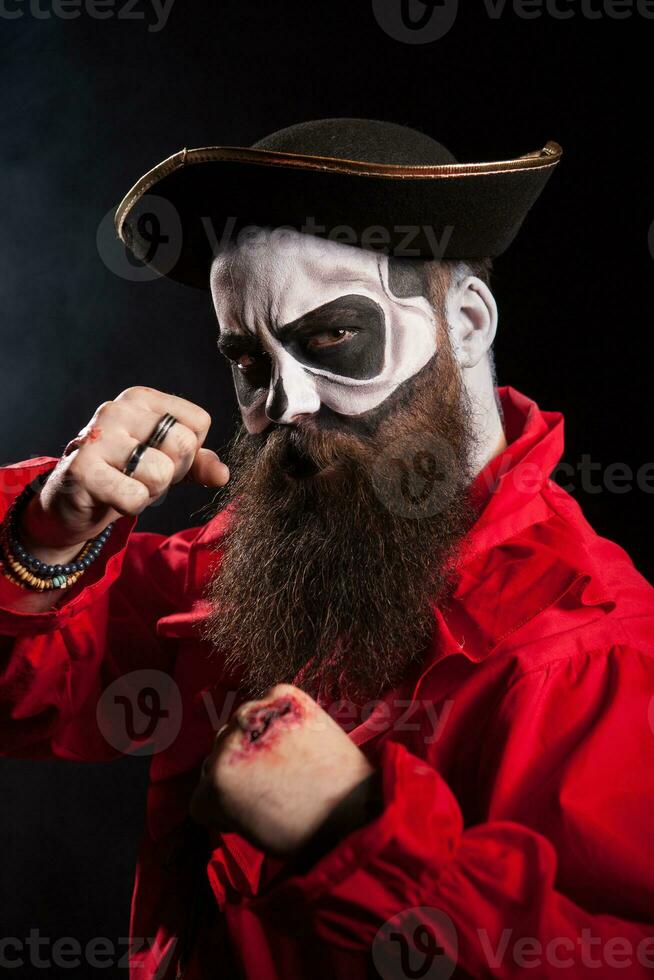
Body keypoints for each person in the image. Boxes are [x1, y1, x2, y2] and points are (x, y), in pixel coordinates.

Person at [1, 119, 652, 980]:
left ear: (463, 321)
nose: (287, 404)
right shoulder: (241, 565)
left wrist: (353, 828)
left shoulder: (593, 652)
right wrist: (47, 533)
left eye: (331, 340)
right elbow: (28, 695)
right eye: (248, 359)